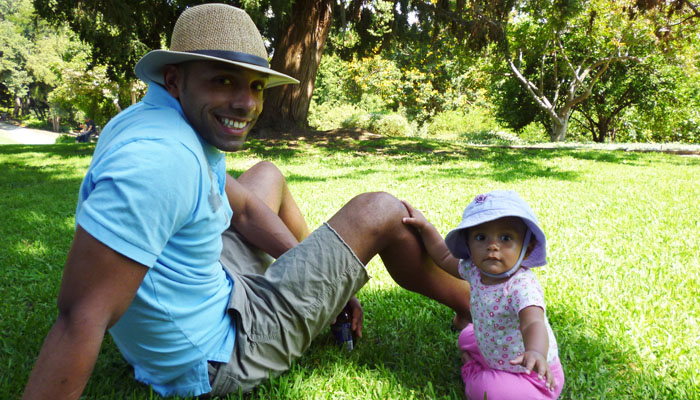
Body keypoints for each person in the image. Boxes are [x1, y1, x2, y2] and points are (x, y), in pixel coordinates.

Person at [21, 4, 470, 399]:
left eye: (255, 86)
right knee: (382, 210)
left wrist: (327, 284)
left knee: (266, 176)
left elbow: (245, 208)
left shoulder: (154, 120)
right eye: (223, 81)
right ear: (176, 79)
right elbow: (80, 316)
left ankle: (317, 297)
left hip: (209, 293)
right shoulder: (160, 164)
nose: (245, 104)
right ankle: (474, 306)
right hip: (218, 356)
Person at [402, 190, 565, 399]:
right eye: (481, 237)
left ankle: (475, 373)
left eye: (506, 238)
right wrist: (426, 227)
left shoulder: (522, 285)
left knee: (486, 391)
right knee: (465, 336)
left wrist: (535, 352)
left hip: (532, 374)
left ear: (527, 248)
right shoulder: (474, 270)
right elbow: (443, 256)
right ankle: (486, 366)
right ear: (468, 244)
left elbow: (533, 322)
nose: (492, 246)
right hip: (494, 347)